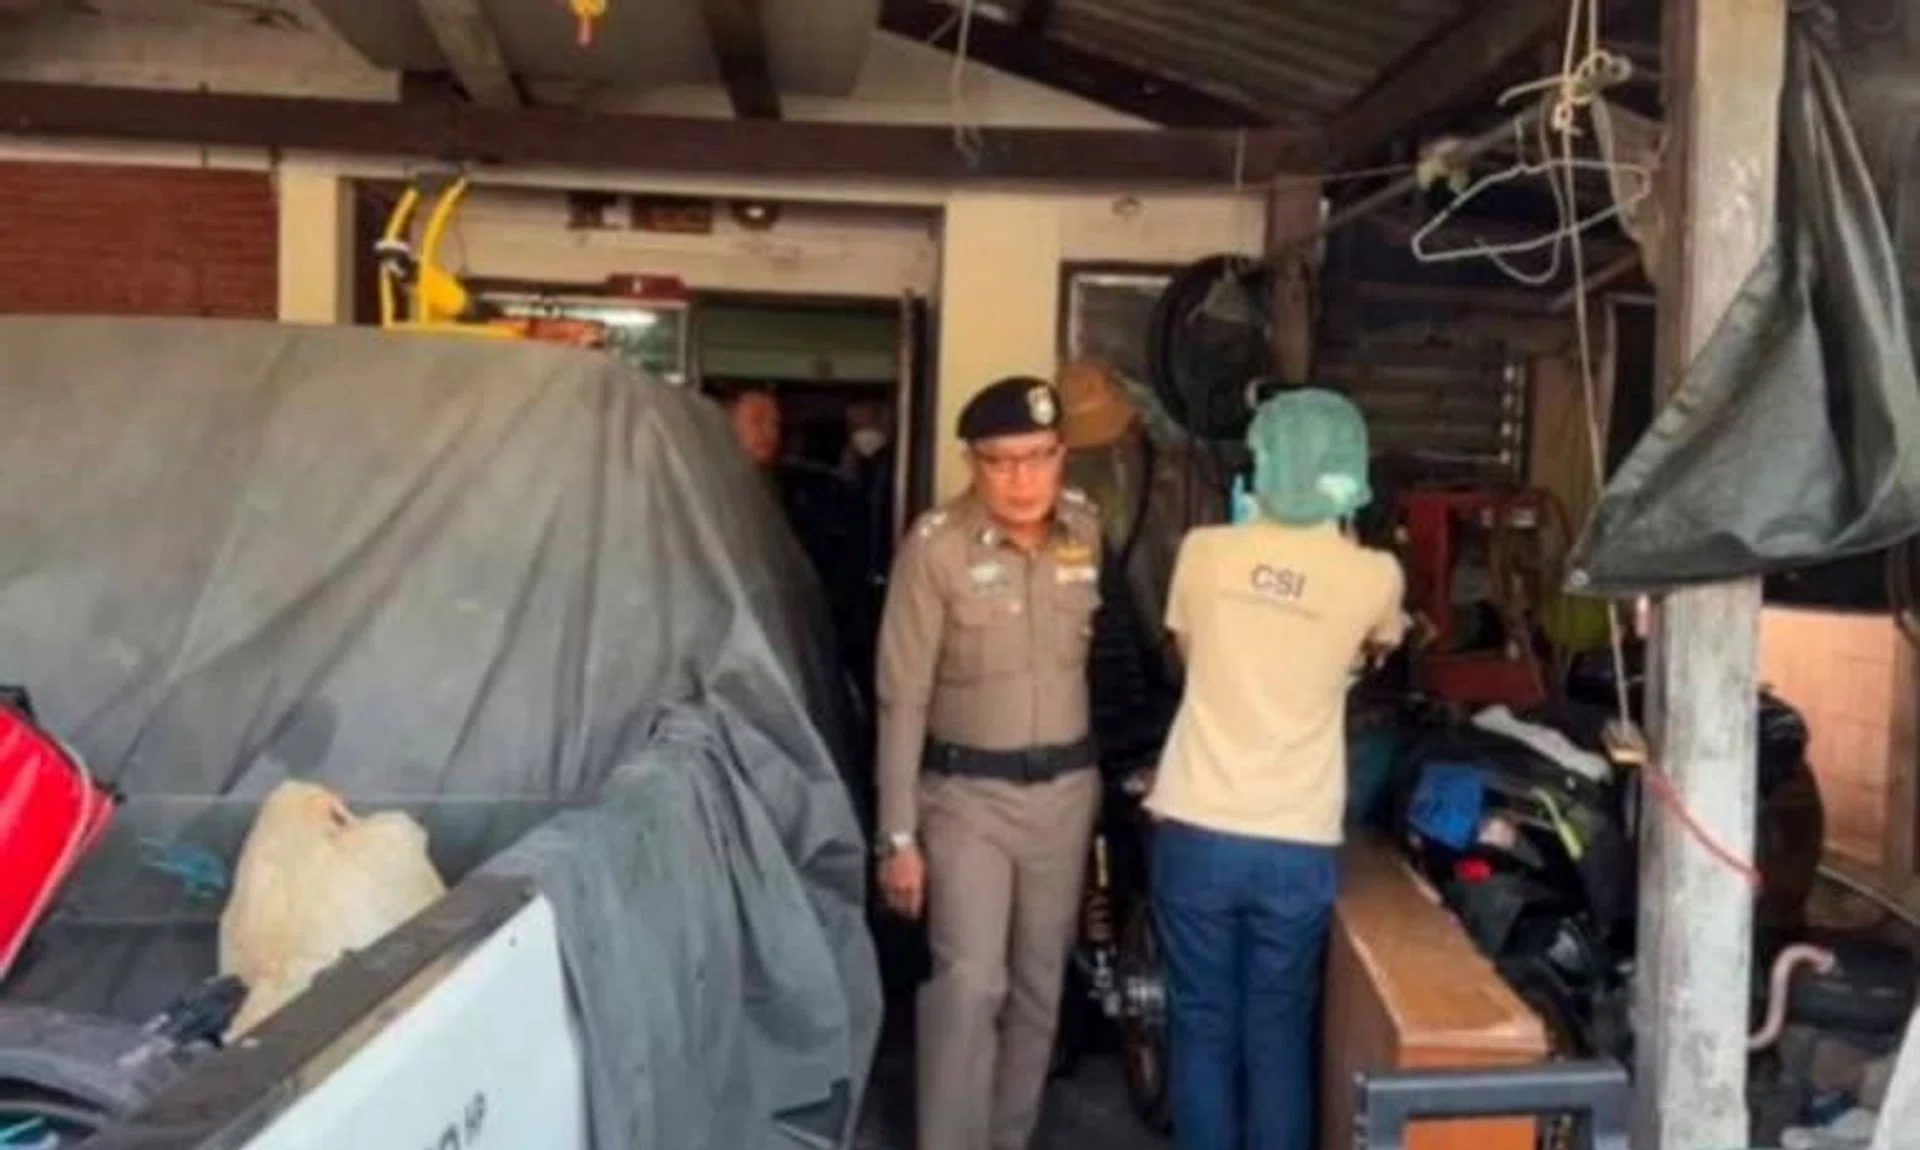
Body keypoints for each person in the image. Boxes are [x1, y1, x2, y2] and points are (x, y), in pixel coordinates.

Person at [1145, 388, 1406, 1150]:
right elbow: (1375, 652)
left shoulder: (1203, 553)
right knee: (1279, 1031)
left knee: (1201, 1022)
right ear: (1349, 475)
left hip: (1197, 822)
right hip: (1295, 837)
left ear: (1260, 464)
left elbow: (1191, 657)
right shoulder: (1374, 576)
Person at [872, 375, 1104, 1150]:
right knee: (971, 984)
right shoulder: (935, 547)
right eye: (1000, 461)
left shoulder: (1084, 531)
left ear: (1061, 455)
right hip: (967, 799)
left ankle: (1007, 1138)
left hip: (1065, 796)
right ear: (972, 462)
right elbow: (901, 696)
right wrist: (898, 836)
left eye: (1038, 457)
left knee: (1040, 986)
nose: (1021, 479)